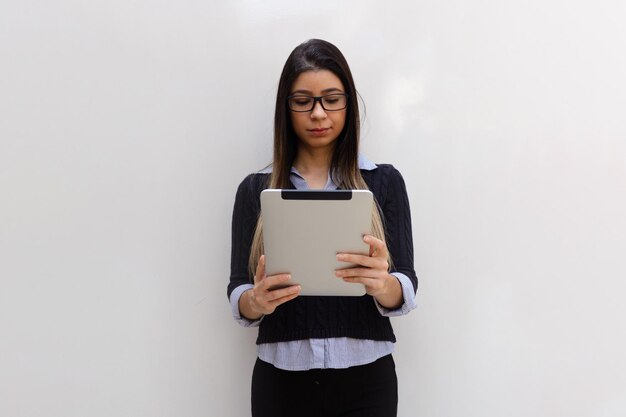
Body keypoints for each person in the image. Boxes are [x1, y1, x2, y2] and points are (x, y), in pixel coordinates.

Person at [227, 39, 418, 417]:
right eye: (303, 101)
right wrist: (256, 301)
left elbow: (407, 284)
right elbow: (238, 290)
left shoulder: (384, 183)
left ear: (349, 103)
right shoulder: (255, 189)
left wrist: (383, 285)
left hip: (367, 378)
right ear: (286, 107)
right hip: (281, 380)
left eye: (332, 99)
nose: (318, 113)